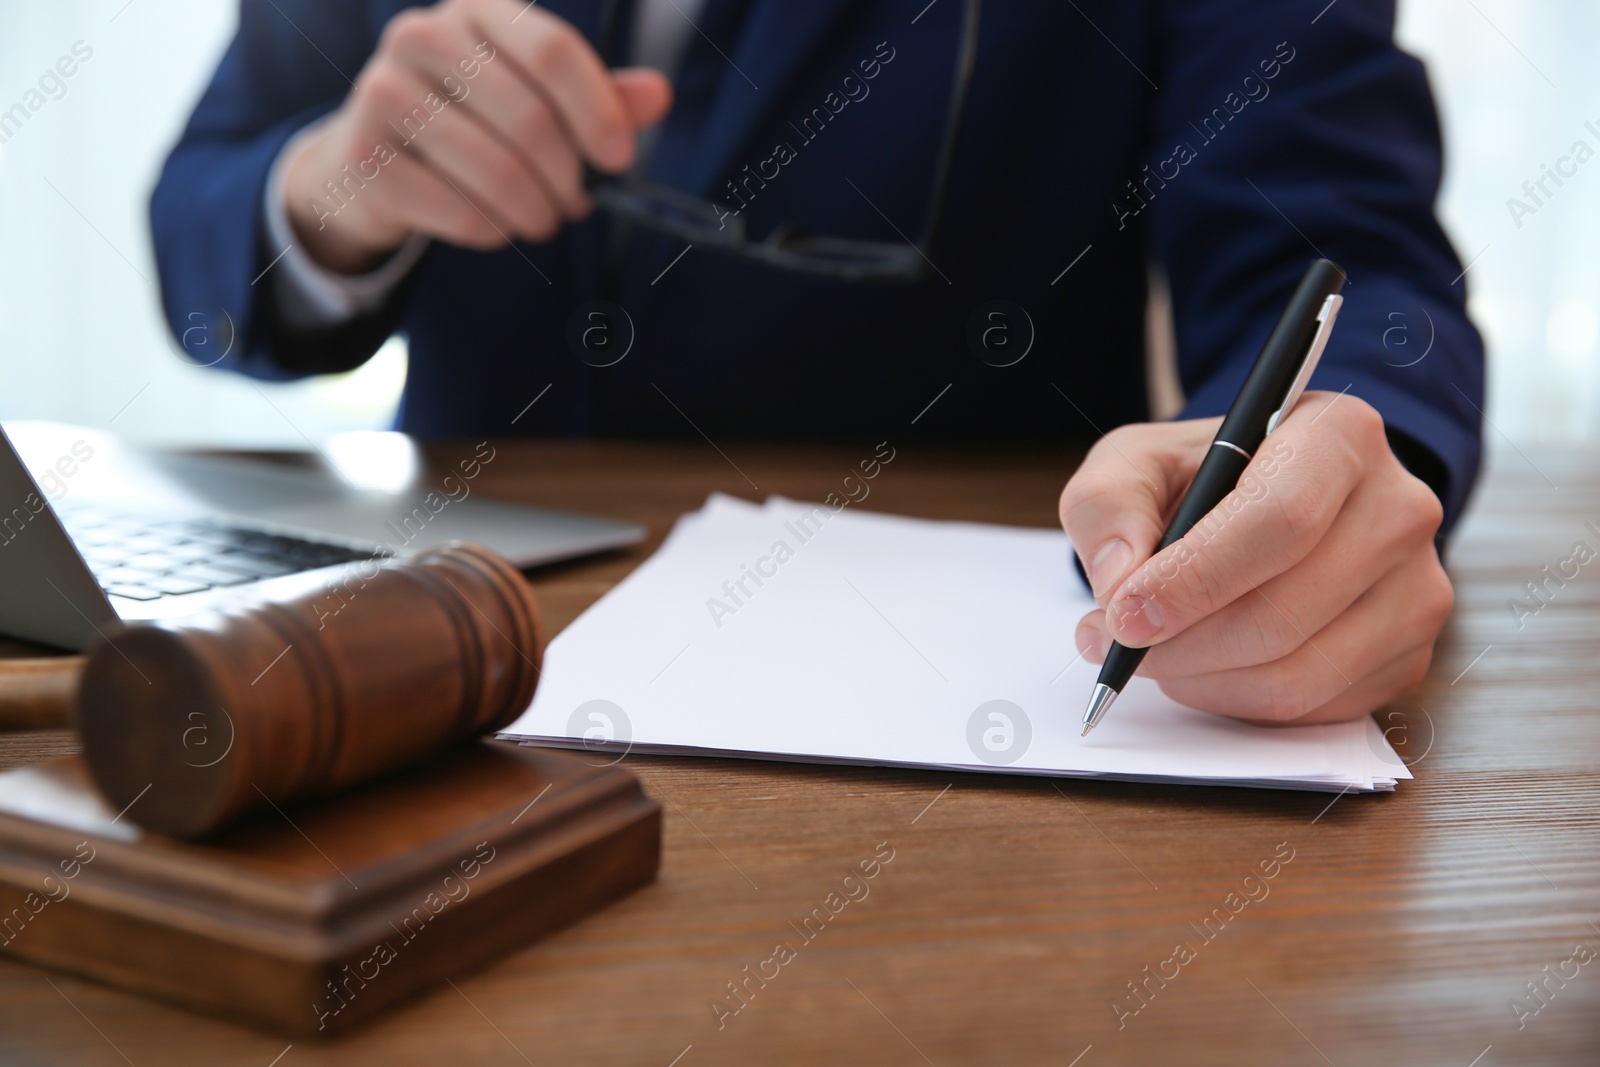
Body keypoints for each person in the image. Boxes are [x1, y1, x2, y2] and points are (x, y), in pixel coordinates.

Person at [151, 0, 1482, 727]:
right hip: (438, 663)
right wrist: (332, 190)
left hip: (954, 711)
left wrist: (1350, 447)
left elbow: (1346, 258)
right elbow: (206, 205)